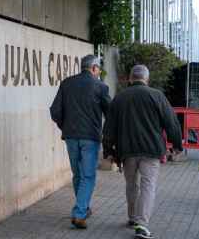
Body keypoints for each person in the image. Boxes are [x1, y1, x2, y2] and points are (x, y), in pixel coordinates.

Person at [103, 65, 183, 239]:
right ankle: (142, 223)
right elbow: (172, 123)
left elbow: (109, 128)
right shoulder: (157, 96)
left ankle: (132, 217)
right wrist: (177, 145)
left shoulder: (119, 98)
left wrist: (108, 150)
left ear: (130, 79)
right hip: (151, 150)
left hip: (127, 150)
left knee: (131, 185)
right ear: (147, 79)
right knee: (148, 186)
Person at [50, 54, 111, 229]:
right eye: (98, 68)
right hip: (90, 138)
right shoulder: (100, 87)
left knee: (78, 174)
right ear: (93, 68)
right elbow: (110, 113)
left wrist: (65, 127)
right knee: (88, 175)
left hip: (70, 137)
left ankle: (83, 208)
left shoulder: (67, 83)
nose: (99, 72)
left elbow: (55, 111)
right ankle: (79, 213)